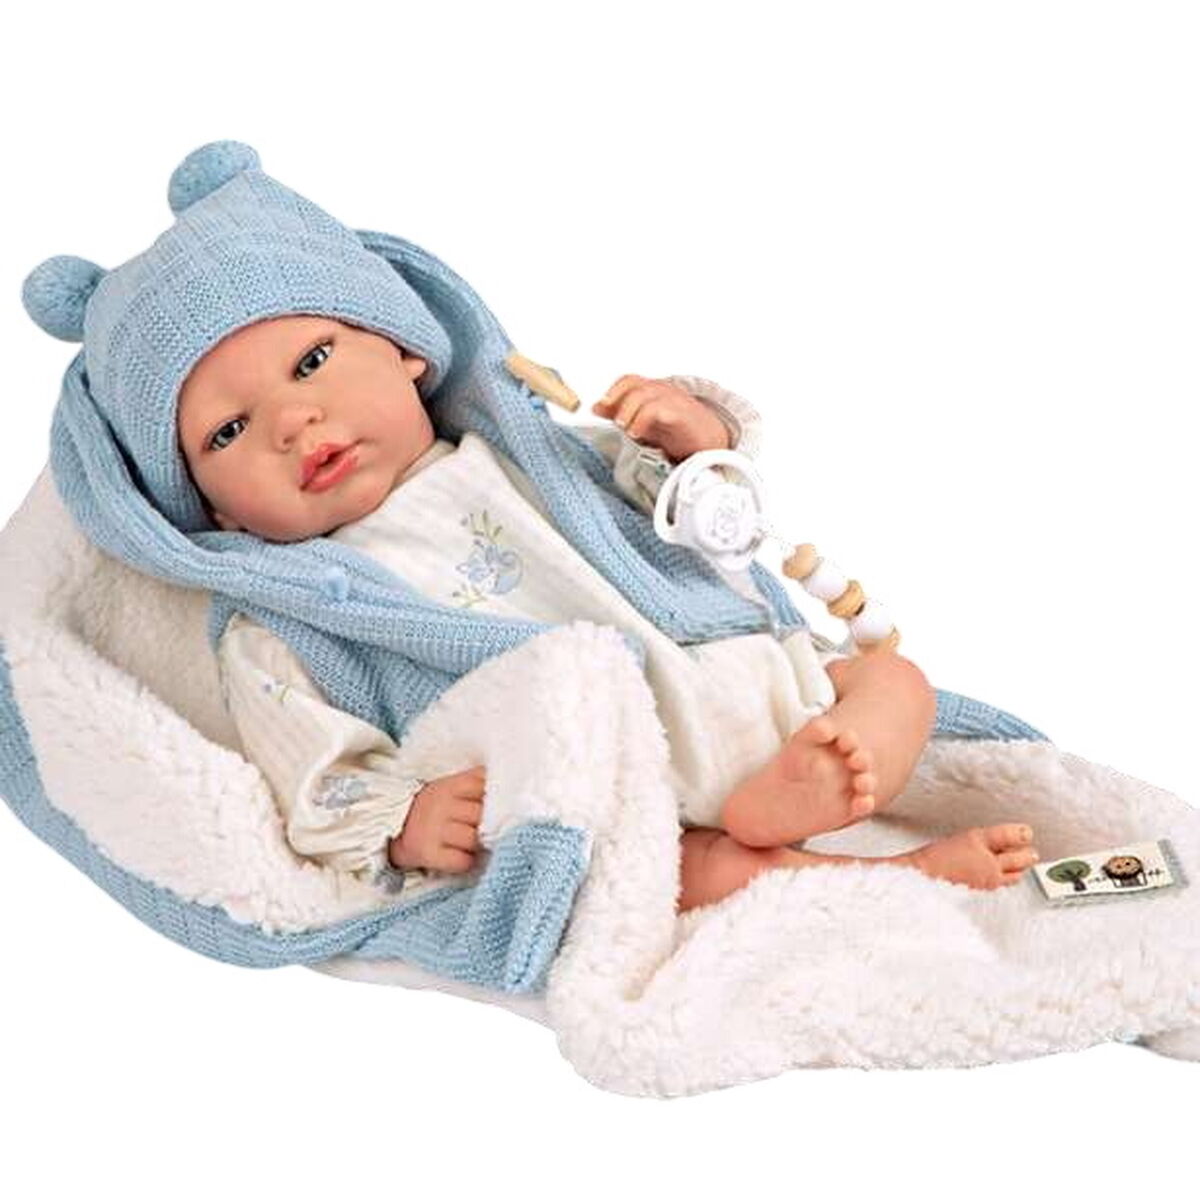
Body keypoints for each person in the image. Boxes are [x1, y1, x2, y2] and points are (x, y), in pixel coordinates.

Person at [25, 139, 1039, 924]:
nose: (295, 421)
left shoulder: (527, 449)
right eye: (228, 432)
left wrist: (694, 435)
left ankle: (831, 772)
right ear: (208, 509)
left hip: (748, 686)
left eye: (312, 362)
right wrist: (404, 821)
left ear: (405, 349)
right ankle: (891, 879)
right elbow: (315, 774)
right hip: (619, 777)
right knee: (674, 875)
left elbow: (695, 511)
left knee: (892, 683)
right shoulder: (286, 618)